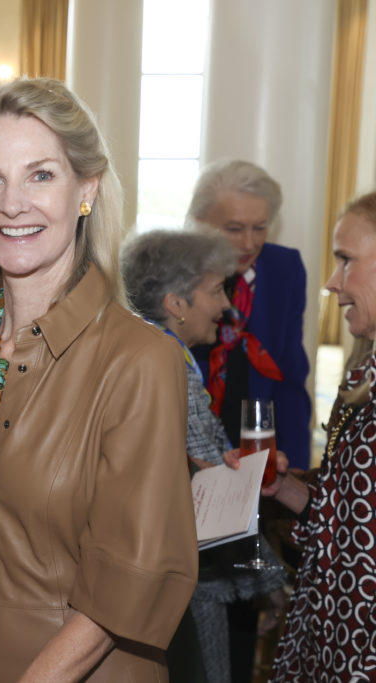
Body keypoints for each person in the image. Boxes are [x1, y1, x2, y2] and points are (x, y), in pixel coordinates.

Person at [0, 78, 198, 682]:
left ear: (87, 189)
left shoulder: (140, 361)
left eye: (41, 175)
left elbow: (133, 577)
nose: (12, 203)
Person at [122, 229, 285, 683]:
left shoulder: (140, 354)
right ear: (175, 304)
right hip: (186, 590)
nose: (226, 306)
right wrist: (274, 584)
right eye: (215, 291)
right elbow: (215, 505)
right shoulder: (171, 368)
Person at [226, 191, 376, 682]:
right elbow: (351, 523)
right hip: (329, 639)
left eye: (346, 260)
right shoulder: (364, 376)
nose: (333, 283)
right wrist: (286, 489)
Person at [186, 159, 312, 471]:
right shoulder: (179, 273)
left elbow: (291, 375)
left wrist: (295, 465)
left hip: (259, 439)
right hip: (194, 441)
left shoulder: (285, 268)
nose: (249, 242)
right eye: (234, 229)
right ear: (200, 222)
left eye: (260, 228)